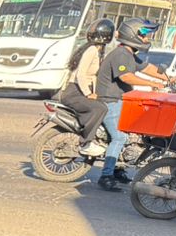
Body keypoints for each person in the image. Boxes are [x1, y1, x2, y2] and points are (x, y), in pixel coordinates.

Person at [96, 18, 169, 191]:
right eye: (143, 35)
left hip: (120, 100)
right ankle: (106, 175)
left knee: (129, 133)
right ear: (132, 34)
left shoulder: (129, 54)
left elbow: (147, 68)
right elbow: (126, 77)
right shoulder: (121, 54)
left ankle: (117, 168)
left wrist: (170, 78)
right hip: (110, 100)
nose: (146, 39)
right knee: (120, 137)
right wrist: (154, 84)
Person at [60, 19, 113, 149]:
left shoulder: (98, 51)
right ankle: (85, 142)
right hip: (75, 92)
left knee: (104, 106)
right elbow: (81, 74)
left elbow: (94, 76)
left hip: (80, 91)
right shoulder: (92, 50)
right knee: (100, 109)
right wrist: (88, 93)